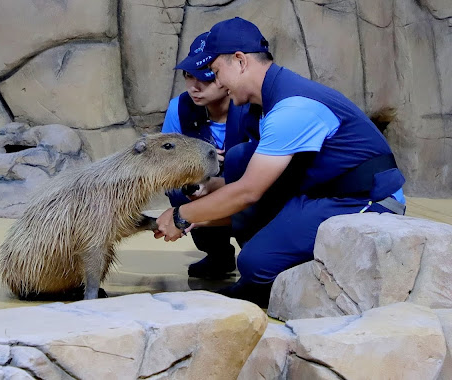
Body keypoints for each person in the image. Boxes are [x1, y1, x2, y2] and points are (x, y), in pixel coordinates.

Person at [154, 17, 407, 308]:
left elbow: (248, 192)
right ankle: (268, 256)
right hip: (319, 191)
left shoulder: (291, 107)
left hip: (365, 199)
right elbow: (250, 183)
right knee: (240, 158)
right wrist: (202, 203)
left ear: (239, 61)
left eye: (215, 71)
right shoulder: (264, 103)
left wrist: (182, 215)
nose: (218, 82)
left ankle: (264, 279)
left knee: (255, 263)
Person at [162, 32, 261, 279]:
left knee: (240, 159)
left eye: (204, 78)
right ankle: (217, 254)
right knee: (178, 190)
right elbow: (164, 163)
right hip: (200, 188)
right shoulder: (180, 108)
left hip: (248, 188)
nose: (194, 87)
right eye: (188, 76)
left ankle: (256, 249)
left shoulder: (253, 107)